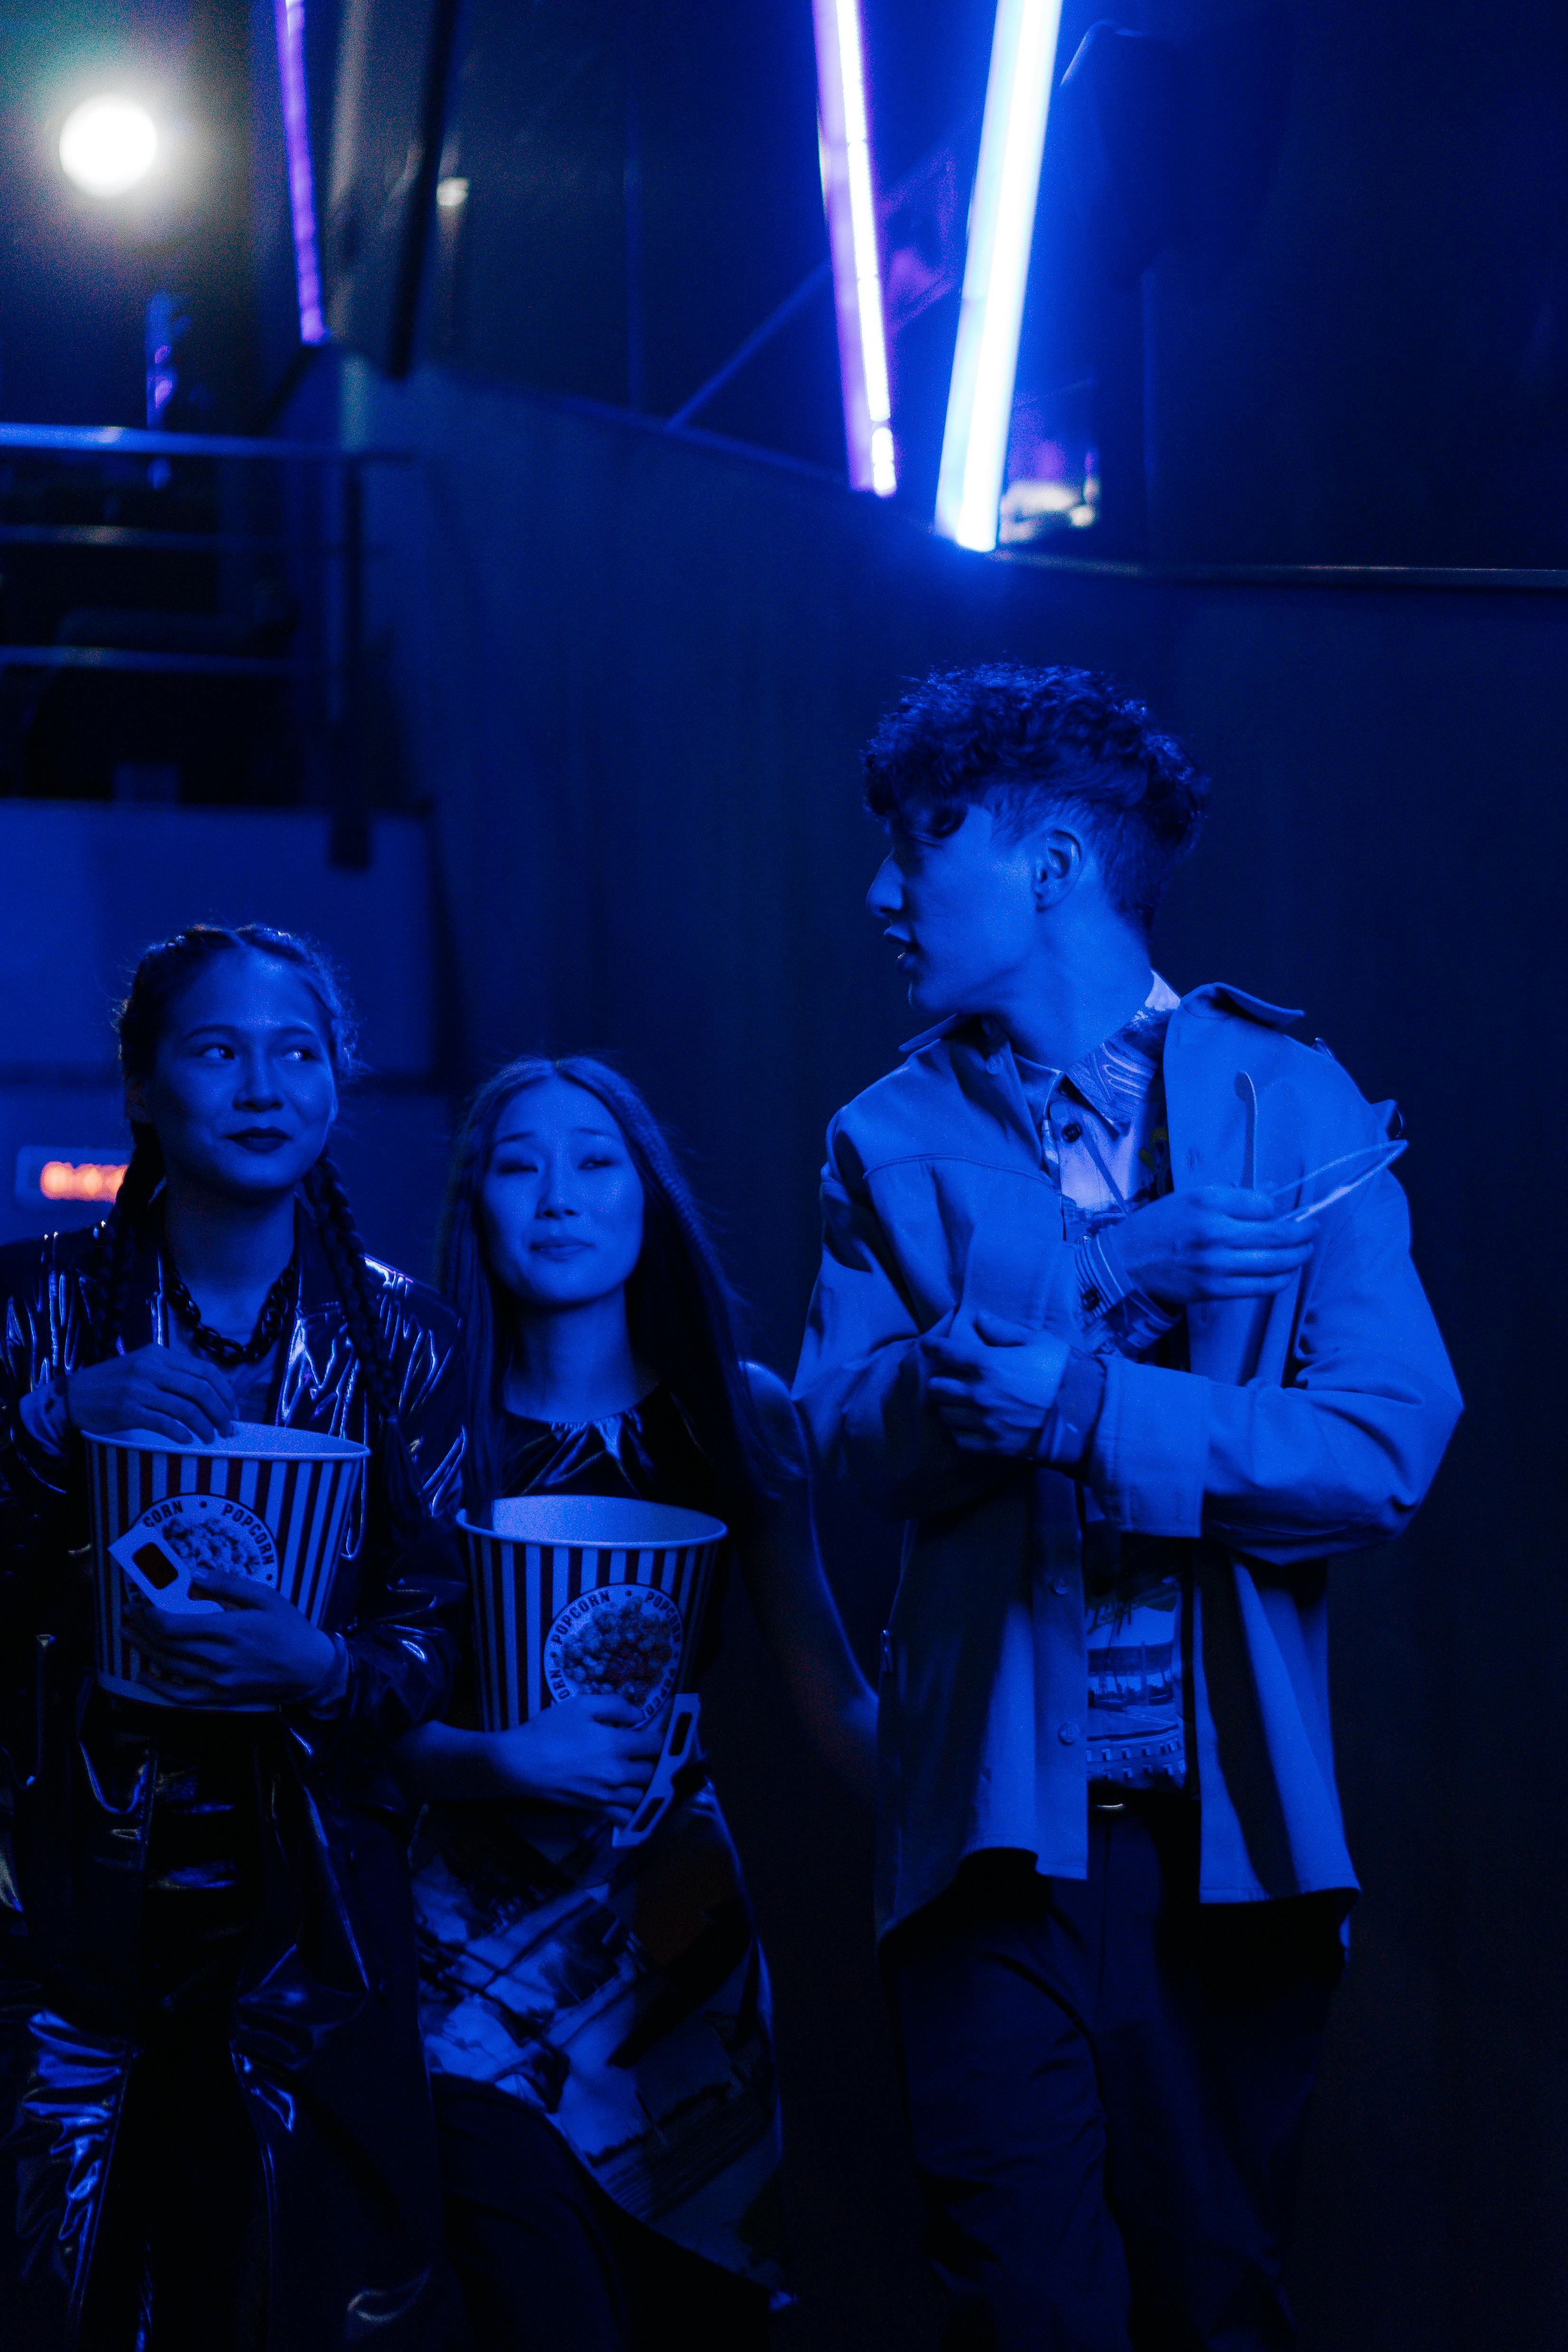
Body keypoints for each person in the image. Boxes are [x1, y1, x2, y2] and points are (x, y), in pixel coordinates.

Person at [791, 665, 1463, 2352]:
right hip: (986, 1837)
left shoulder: (1287, 1097)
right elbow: (856, 1437)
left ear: (1050, 868)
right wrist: (1103, 1269)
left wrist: (1091, 1404)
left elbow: (1386, 1444)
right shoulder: (882, 1135)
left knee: (1217, 2295)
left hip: (1231, 1838)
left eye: (916, 841)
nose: (881, 890)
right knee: (1023, 2308)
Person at [0, 924, 469, 2352]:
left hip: (310, 1914)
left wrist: (323, 1669)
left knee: (296, 2303)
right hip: (58, 1903)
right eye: (218, 1048)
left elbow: (438, 1622)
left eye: (299, 1049)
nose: (264, 1083)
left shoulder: (406, 1338)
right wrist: (45, 1424)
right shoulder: (32, 1304)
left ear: (337, 1080)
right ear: (143, 1087)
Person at [397, 1054, 877, 2352]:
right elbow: (356, 1718)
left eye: (596, 1160)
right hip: (466, 1973)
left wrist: (997, 1781)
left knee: (699, 2329)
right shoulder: (417, 1426)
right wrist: (502, 1762)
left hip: (682, 1955)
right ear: (476, 1207)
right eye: (519, 1163)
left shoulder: (742, 1413)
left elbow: (835, 1701)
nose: (559, 1195)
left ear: (646, 1197)